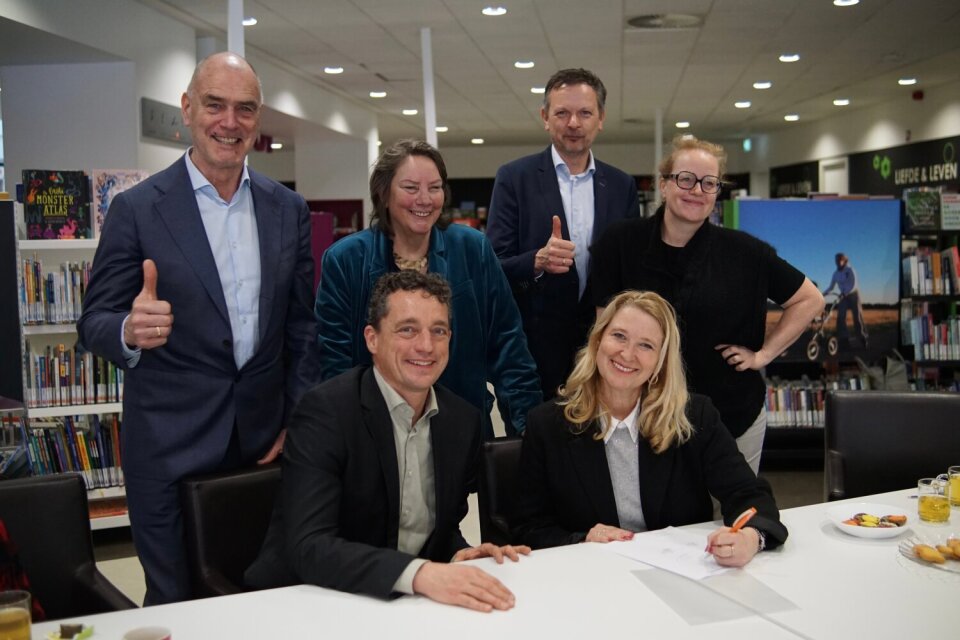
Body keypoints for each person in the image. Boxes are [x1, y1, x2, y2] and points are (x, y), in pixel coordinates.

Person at [77, 52, 318, 605]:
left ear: (258, 120)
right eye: (215, 105)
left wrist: (296, 418)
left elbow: (303, 327)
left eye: (245, 109)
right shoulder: (137, 209)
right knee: (177, 601)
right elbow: (93, 321)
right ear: (187, 109)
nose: (229, 122)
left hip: (262, 446)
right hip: (167, 447)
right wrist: (129, 330)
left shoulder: (288, 209)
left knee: (263, 597)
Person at [246, 271, 530, 611]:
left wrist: (461, 554)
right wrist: (420, 573)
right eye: (407, 329)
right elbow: (309, 546)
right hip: (303, 603)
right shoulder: (325, 413)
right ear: (372, 339)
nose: (426, 346)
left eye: (438, 331)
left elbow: (437, 531)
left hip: (398, 605)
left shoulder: (462, 421)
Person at [590, 136, 823, 474]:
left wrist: (763, 355)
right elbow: (602, 331)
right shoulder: (619, 244)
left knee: (731, 505)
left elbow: (809, 299)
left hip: (730, 416)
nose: (696, 190)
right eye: (685, 179)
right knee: (649, 507)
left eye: (709, 183)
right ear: (664, 185)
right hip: (640, 415)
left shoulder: (746, 253)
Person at [513, 290, 788, 566]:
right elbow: (528, 527)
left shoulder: (695, 416)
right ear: (597, 341)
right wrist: (582, 540)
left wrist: (751, 537)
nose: (627, 354)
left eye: (646, 345)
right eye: (619, 336)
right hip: (592, 574)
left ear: (661, 361)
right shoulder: (547, 425)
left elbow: (748, 494)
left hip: (677, 574)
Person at [316, 139, 541, 438]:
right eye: (410, 188)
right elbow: (334, 361)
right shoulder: (345, 260)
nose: (424, 199)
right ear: (383, 193)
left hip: (462, 427)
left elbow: (508, 345)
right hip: (376, 433)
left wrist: (527, 429)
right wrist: (350, 437)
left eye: (434, 188)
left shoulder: (472, 249)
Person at [486, 68, 640, 400]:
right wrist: (537, 261)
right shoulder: (514, 178)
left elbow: (632, 270)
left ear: (601, 118)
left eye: (585, 113)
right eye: (562, 113)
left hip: (605, 354)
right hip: (533, 354)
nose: (573, 123)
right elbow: (493, 264)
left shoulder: (621, 185)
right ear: (545, 117)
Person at [823, 252, 868, 348]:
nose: (838, 262)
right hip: (843, 297)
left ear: (844, 260)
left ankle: (862, 337)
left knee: (857, 317)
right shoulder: (835, 274)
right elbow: (831, 287)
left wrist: (845, 293)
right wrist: (823, 294)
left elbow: (854, 285)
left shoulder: (850, 270)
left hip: (853, 294)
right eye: (836, 260)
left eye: (840, 260)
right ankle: (844, 340)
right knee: (841, 317)